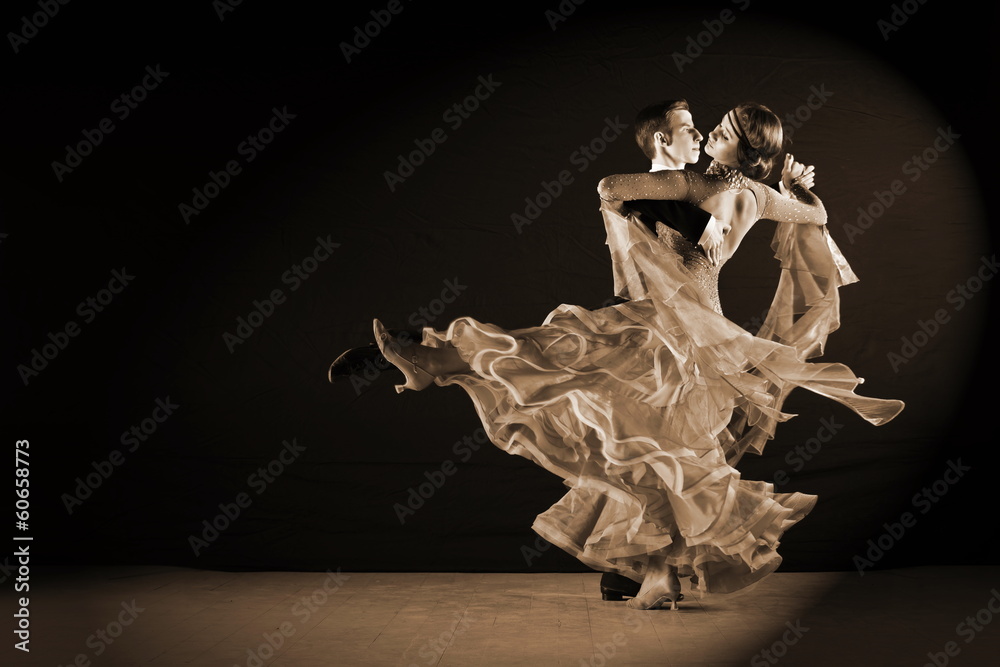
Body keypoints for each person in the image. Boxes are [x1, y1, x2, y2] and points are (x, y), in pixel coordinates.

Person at [368, 102, 903, 610]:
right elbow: (818, 212)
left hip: (663, 325)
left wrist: (671, 209)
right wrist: (789, 189)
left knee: (567, 362)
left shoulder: (694, 184)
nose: (714, 131)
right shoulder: (759, 198)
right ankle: (653, 572)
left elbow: (609, 187)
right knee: (653, 447)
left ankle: (437, 361)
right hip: (706, 337)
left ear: (745, 150)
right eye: (717, 123)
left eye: (726, 131)